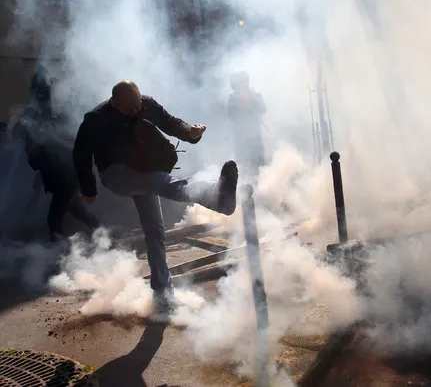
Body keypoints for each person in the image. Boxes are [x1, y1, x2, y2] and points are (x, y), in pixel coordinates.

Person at [73, 80, 238, 316]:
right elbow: (80, 154)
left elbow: (170, 123)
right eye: (129, 108)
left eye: (138, 105)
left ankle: (162, 295)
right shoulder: (96, 119)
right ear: (114, 102)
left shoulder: (147, 104)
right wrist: (89, 189)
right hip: (116, 174)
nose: (135, 111)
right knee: (161, 183)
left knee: (155, 231)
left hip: (144, 169)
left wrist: (191, 133)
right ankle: (216, 197)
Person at [12, 65, 100, 242]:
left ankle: (59, 239)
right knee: (73, 205)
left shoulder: (53, 115)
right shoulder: (33, 114)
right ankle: (98, 230)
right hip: (53, 169)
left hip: (63, 169)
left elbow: (68, 137)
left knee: (61, 208)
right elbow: (17, 133)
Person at [227, 71, 267, 179]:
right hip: (241, 141)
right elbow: (231, 115)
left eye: (244, 82)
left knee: (259, 168)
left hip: (256, 140)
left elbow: (263, 109)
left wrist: (252, 97)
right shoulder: (232, 100)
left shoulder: (255, 96)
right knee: (242, 169)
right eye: (240, 83)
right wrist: (241, 100)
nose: (243, 85)